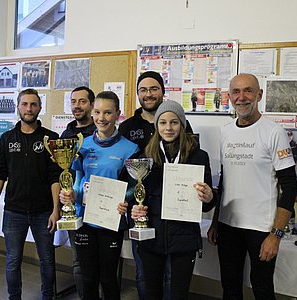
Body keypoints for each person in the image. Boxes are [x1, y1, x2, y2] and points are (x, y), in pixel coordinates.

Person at [207, 74, 297, 300]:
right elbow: (225, 182)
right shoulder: (225, 132)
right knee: (230, 288)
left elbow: (290, 186)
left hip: (262, 228)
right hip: (228, 226)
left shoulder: (274, 132)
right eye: (236, 92)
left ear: (259, 95)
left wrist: (276, 235)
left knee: (262, 289)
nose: (242, 97)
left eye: (248, 91)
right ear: (229, 97)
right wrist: (217, 221)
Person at [130, 100, 216, 299]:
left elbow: (206, 204)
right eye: (163, 122)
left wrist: (210, 196)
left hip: (184, 237)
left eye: (174, 122)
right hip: (151, 235)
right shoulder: (144, 157)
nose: (168, 128)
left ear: (183, 125)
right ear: (156, 126)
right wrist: (134, 210)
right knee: (151, 292)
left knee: (178, 293)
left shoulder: (199, 156)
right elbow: (133, 196)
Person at [119, 70, 193, 299]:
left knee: (174, 278)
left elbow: (189, 162)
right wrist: (127, 201)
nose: (148, 94)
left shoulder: (182, 123)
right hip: (141, 212)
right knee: (145, 275)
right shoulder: (127, 127)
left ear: (162, 92)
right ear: (138, 94)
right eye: (143, 89)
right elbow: (124, 174)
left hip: (174, 213)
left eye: (154, 89)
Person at [60, 91, 139, 300]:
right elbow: (78, 179)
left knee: (108, 278)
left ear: (117, 114)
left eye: (107, 112)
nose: (101, 118)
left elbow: (133, 187)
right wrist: (71, 195)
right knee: (87, 279)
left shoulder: (130, 148)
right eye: (97, 112)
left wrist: (126, 199)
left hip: (110, 222)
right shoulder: (81, 144)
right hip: (85, 220)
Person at [0, 88, 61, 300]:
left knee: (46, 260)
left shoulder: (50, 139)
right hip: (14, 212)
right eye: (25, 104)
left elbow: (55, 177)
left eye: (33, 104)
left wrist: (56, 209)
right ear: (18, 107)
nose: (29, 108)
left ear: (40, 108)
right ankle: (14, 297)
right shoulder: (7, 139)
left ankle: (48, 297)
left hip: (43, 212)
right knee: (12, 260)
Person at [60, 86, 96, 300]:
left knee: (101, 261)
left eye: (82, 101)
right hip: (74, 207)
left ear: (92, 105)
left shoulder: (101, 132)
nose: (77, 106)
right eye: (74, 102)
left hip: (99, 208)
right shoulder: (66, 135)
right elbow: (61, 173)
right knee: (79, 261)